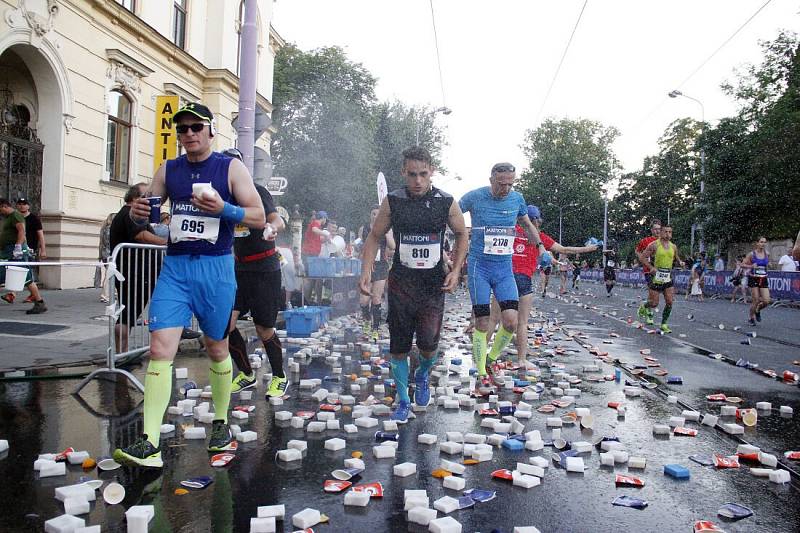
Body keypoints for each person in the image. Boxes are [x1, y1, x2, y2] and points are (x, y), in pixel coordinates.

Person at [113, 103, 265, 468]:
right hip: (176, 270)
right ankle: (149, 441)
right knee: (160, 349)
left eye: (196, 127)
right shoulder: (168, 169)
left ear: (211, 130)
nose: (189, 134)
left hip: (216, 270)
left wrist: (223, 210)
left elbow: (258, 217)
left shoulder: (230, 168)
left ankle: (220, 422)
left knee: (216, 348)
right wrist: (138, 213)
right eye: (182, 129)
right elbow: (149, 208)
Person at [359, 146, 468, 423]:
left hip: (432, 285)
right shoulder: (394, 201)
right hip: (401, 284)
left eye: (422, 174)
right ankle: (404, 399)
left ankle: (422, 374)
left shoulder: (446, 201)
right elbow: (374, 236)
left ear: (432, 171)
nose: (417, 181)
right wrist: (366, 271)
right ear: (403, 173)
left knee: (429, 345)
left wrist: (456, 270)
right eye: (411, 175)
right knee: (399, 346)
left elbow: (461, 233)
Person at [459, 162, 545, 392]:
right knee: (483, 322)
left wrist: (541, 248)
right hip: (480, 269)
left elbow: (527, 225)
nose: (506, 188)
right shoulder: (474, 197)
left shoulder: (517, 199)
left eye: (510, 184)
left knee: (511, 321)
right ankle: (481, 373)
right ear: (491, 180)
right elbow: (453, 216)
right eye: (501, 184)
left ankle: (491, 358)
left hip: (504, 271)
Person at [486, 205, 596, 369]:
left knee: (493, 319)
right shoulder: (539, 237)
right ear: (537, 220)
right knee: (522, 323)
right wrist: (588, 249)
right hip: (523, 280)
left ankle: (480, 356)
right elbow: (564, 249)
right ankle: (522, 360)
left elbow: (491, 248)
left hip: (504, 278)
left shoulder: (510, 231)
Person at [221, 147, 288, 398]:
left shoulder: (256, 192)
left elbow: (277, 218)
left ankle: (280, 377)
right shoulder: (222, 199)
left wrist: (272, 227)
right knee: (224, 326)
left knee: (264, 329)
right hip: (239, 270)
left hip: (265, 269)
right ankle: (247, 374)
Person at [109, 183, 167, 352]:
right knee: (129, 313)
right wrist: (167, 242)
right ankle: (121, 353)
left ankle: (122, 352)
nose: (149, 200)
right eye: (145, 196)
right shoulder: (130, 214)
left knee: (129, 311)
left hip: (135, 272)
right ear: (135, 198)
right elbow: (141, 235)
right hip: (135, 273)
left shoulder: (128, 214)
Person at [0, 198, 47, 313]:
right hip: (6, 251)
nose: (0, 212)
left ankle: (40, 303)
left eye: (0, 209)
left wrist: (18, 247)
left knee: (26, 278)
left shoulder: (16, 216)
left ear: (4, 206)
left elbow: (22, 231)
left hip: (16, 251)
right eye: (19, 204)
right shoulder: (8, 218)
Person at [638, 224, 685, 334]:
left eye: (670, 232)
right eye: (666, 232)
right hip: (656, 277)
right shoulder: (654, 245)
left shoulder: (673, 246)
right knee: (654, 303)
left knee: (669, 302)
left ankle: (664, 324)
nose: (668, 234)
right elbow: (642, 257)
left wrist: (680, 262)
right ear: (661, 233)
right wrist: (651, 267)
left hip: (667, 277)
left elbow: (676, 257)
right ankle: (644, 305)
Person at [358, 205, 395, 338]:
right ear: (370, 215)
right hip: (368, 266)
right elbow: (362, 248)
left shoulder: (388, 229)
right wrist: (367, 261)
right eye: (373, 214)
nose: (375, 216)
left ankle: (375, 328)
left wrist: (385, 231)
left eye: (378, 214)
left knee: (376, 298)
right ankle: (367, 321)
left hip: (381, 266)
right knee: (363, 300)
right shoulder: (364, 228)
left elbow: (393, 246)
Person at [16, 198, 46, 289]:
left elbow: (41, 235)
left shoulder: (34, 219)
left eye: (24, 204)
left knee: (26, 270)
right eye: (20, 204)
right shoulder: (15, 218)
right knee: (19, 269)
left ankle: (14, 293)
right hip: (17, 248)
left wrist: (43, 250)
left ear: (28, 206)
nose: (22, 206)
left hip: (29, 249)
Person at [742, 236, 771, 327]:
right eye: (761, 242)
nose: (763, 244)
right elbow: (742, 264)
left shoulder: (767, 253)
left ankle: (758, 310)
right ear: (757, 243)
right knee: (756, 299)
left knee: (766, 301)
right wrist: (751, 266)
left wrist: (769, 264)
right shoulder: (751, 254)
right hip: (753, 278)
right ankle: (751, 318)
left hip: (763, 278)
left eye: (764, 242)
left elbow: (767, 264)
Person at [302, 211, 329, 304]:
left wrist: (326, 239)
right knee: (310, 279)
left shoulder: (318, 227)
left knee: (314, 278)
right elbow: (314, 230)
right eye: (325, 219)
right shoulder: (315, 223)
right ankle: (306, 300)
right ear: (323, 218)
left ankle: (311, 300)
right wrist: (325, 234)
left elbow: (318, 240)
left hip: (313, 255)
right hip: (309, 254)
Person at [635, 219, 662, 287]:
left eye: (659, 229)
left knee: (667, 294)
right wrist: (641, 259)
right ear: (651, 230)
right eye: (655, 229)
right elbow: (637, 251)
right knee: (653, 290)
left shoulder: (664, 241)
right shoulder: (645, 241)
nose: (657, 231)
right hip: (649, 270)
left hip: (663, 270)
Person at [97, 212, 115, 303]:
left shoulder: (104, 229)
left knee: (111, 274)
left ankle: (112, 292)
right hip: (109, 255)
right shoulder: (110, 230)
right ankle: (105, 295)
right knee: (109, 275)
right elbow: (110, 242)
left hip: (105, 254)